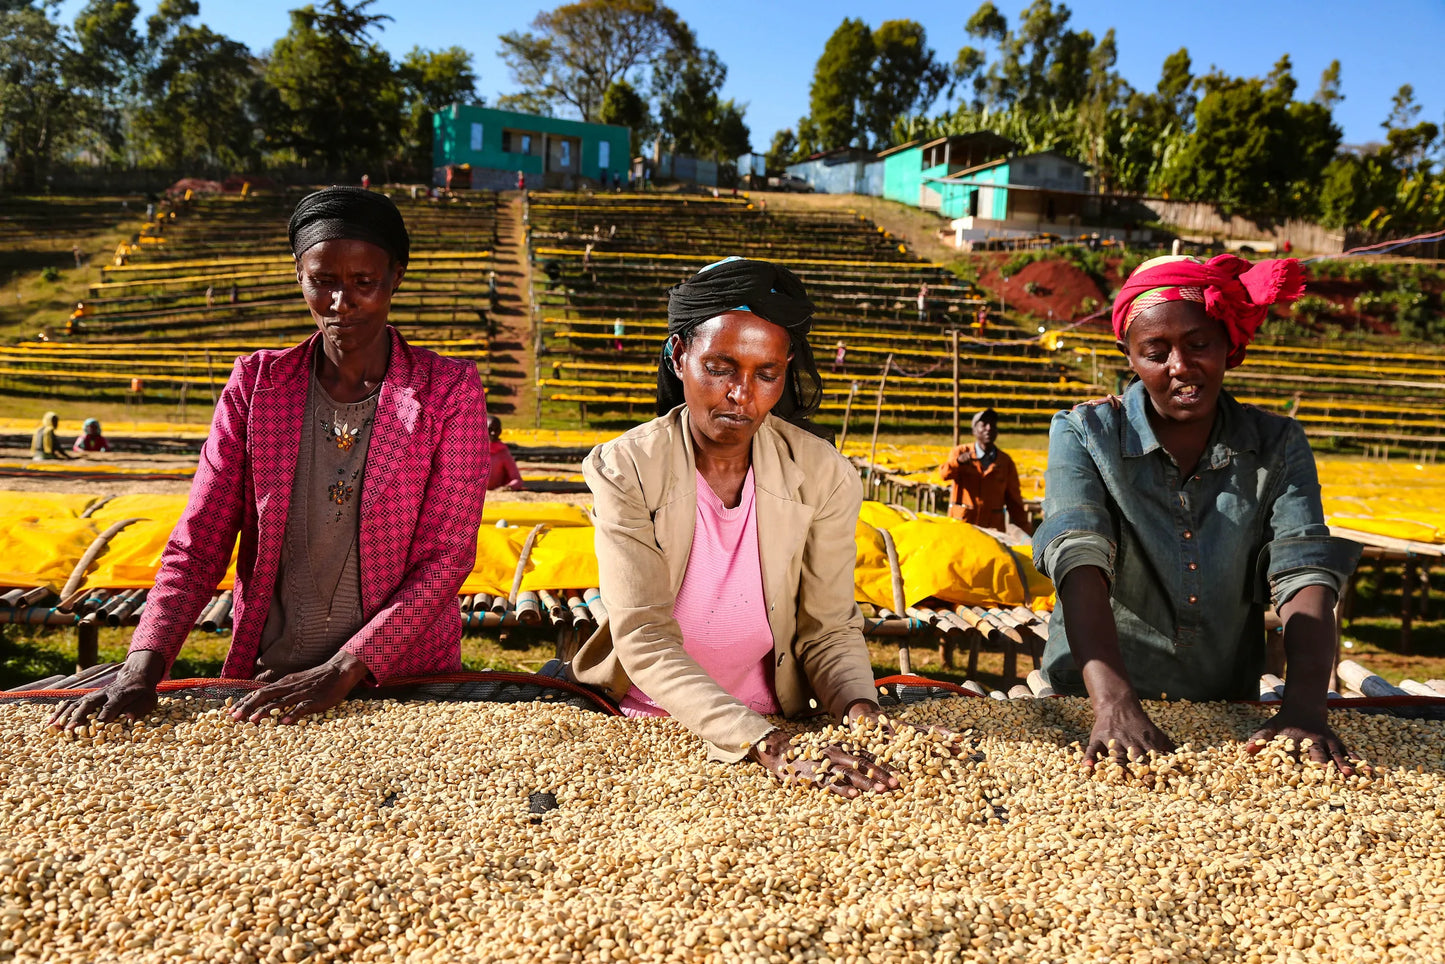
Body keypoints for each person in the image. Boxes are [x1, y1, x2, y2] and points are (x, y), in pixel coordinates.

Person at [51, 187, 491, 732]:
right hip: (271, 683)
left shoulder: (447, 390)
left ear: (395, 277)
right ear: (298, 275)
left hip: (403, 683)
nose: (340, 302)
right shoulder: (258, 385)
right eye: (322, 280)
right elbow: (200, 541)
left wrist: (345, 669)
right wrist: (141, 670)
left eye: (363, 283)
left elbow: (446, 558)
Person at [570, 257, 969, 795]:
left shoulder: (821, 472)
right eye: (720, 367)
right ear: (678, 355)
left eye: (767, 374)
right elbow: (643, 636)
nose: (742, 394)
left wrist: (860, 710)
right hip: (648, 721)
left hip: (776, 720)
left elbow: (827, 627)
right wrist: (762, 743)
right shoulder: (626, 468)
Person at [1032, 254, 1362, 771]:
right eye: (1156, 352)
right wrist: (1114, 703)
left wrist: (1303, 708)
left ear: (1228, 345)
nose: (1181, 367)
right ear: (1130, 357)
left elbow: (1305, 572)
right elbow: (1078, 556)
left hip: (1222, 704)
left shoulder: (1276, 444)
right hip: (1088, 703)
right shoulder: (1084, 433)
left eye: (1199, 344)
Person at [939, 408, 1032, 535]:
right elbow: (944, 474)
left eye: (992, 425)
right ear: (974, 431)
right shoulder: (960, 453)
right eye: (983, 425)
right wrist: (958, 462)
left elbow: (1014, 501)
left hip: (992, 529)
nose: (988, 428)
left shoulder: (1005, 462)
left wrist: (1026, 531)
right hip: (963, 525)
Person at [486, 416, 525, 491]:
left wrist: (508, 488)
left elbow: (517, 479)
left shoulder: (502, 452)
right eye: (490, 429)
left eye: (496, 430)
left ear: (500, 431)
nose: (493, 433)